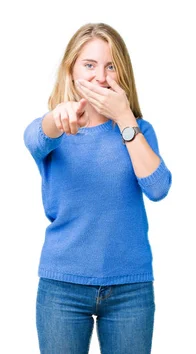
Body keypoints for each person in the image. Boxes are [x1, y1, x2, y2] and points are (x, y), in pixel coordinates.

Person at [24, 23, 171, 354]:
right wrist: (56, 117)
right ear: (71, 69)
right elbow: (35, 137)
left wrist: (125, 121)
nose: (100, 77)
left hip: (130, 289)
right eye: (89, 65)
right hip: (62, 287)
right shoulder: (51, 132)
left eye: (110, 66)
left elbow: (158, 187)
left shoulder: (139, 130)